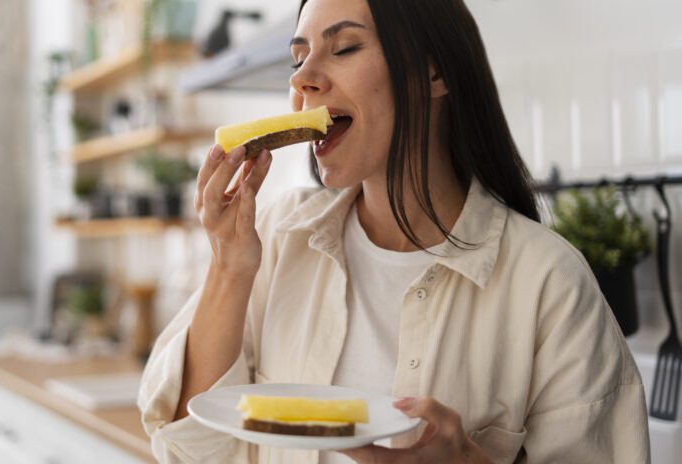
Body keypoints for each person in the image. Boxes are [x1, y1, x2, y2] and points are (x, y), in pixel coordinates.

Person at [138, 0, 651, 462]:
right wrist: (229, 266)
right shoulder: (273, 236)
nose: (302, 80)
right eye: (298, 59)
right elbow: (187, 452)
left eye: (344, 47)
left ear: (434, 70)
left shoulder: (548, 282)